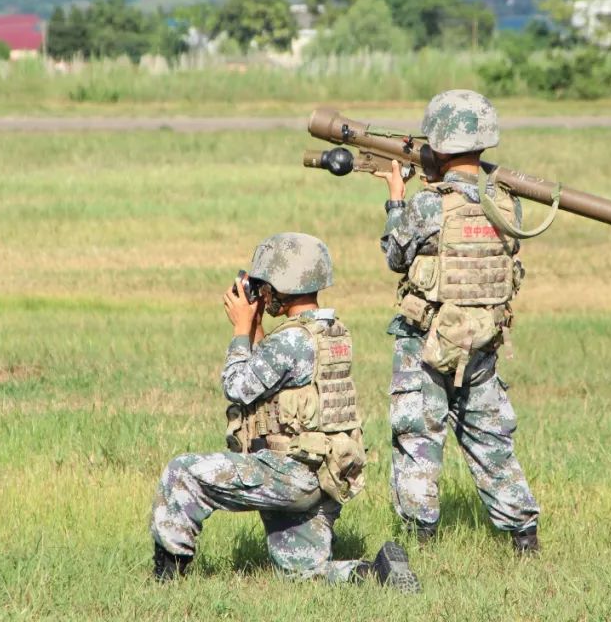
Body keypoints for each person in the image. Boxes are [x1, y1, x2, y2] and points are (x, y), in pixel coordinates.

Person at [149, 232, 420, 591]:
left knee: (182, 473)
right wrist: (259, 327)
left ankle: (166, 579)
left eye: (265, 285)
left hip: (287, 472)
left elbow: (239, 387)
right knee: (302, 574)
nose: (261, 293)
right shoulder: (331, 332)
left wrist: (241, 330)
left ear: (283, 285)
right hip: (323, 474)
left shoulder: (291, 340)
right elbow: (277, 377)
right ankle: (375, 573)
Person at [376, 90, 541, 553]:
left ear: (440, 142)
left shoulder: (429, 205)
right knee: (491, 437)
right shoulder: (508, 204)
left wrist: (395, 202)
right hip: (483, 340)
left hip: (426, 340)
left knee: (418, 436)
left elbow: (395, 255)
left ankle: (419, 539)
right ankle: (523, 535)